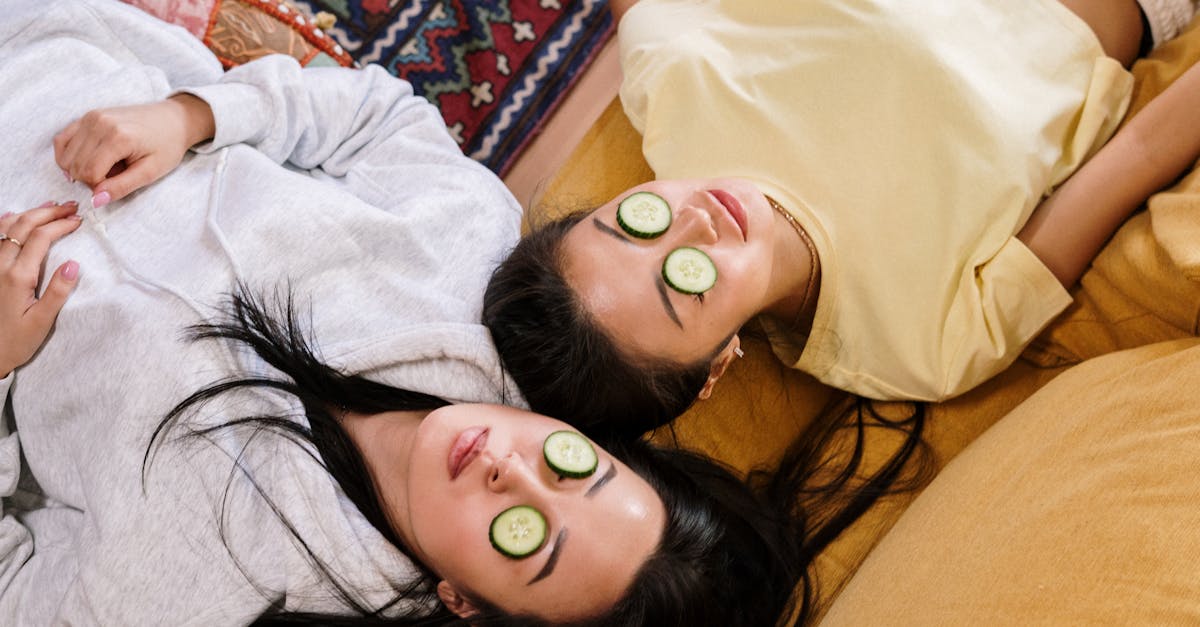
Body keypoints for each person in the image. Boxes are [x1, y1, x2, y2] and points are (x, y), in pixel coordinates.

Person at [0, 1, 924, 624]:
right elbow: (373, 116)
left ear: (468, 603)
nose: (510, 473)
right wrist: (193, 115)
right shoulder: (478, 279)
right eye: (576, 468)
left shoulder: (209, 594)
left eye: (524, 544)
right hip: (66, 41)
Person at [483, 0, 1200, 438]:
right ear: (715, 368)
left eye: (633, 221)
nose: (693, 224)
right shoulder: (924, 344)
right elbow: (1137, 153)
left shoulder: (674, 102)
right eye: (682, 281)